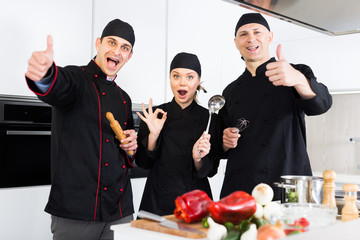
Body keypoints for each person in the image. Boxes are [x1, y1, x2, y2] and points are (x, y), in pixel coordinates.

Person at [25, 19, 138, 240]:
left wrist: (132, 145)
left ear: (129, 56)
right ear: (99, 43)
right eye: (112, 43)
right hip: (75, 212)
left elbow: (130, 155)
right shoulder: (76, 79)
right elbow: (56, 85)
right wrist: (44, 75)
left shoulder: (125, 98)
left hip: (119, 211)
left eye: (125, 48)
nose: (117, 51)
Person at [219, 13, 332, 200]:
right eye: (244, 34)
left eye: (257, 32)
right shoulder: (230, 91)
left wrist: (298, 80)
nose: (251, 39)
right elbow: (219, 147)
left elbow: (322, 104)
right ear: (236, 42)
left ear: (270, 37)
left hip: (286, 184)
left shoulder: (294, 73)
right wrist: (224, 141)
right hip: (241, 188)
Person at [135, 52, 221, 216]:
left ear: (198, 81)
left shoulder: (210, 119)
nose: (182, 83)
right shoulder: (155, 115)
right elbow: (143, 163)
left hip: (195, 203)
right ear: (170, 79)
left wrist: (198, 158)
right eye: (176, 76)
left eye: (189, 77)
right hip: (156, 201)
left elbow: (210, 171)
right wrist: (153, 135)